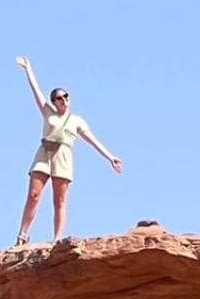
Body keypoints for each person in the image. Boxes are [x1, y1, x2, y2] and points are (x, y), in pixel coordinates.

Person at [14, 55, 123, 245]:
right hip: (44, 153)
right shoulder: (48, 112)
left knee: (59, 200)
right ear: (54, 101)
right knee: (33, 195)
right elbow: (36, 90)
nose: (63, 100)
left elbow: (92, 140)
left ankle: (56, 239)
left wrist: (110, 157)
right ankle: (22, 235)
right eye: (59, 98)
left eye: (65, 96)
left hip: (63, 156)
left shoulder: (77, 120)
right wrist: (28, 68)